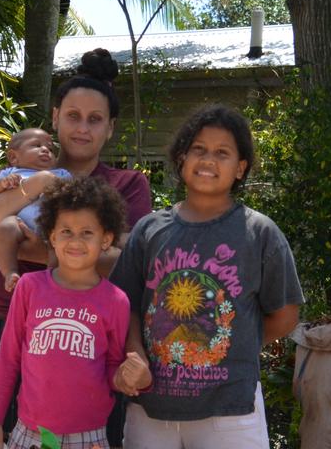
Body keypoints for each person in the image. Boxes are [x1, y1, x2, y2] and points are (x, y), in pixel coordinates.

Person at [0, 48, 152, 438]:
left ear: (111, 127)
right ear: (54, 117)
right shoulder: (22, 175)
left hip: (91, 331)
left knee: (81, 436)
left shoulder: (126, 185)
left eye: (95, 119)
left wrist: (32, 248)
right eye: (72, 116)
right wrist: (40, 184)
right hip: (8, 319)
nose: (82, 128)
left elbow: (124, 262)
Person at [110, 105, 304, 449]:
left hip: (230, 412)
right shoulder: (150, 229)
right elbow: (126, 306)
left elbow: (286, 314)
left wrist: (234, 344)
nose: (208, 160)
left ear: (240, 168)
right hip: (152, 407)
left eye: (222, 152)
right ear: (182, 158)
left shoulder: (259, 233)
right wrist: (136, 355)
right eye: (199, 149)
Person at [0, 177, 132, 449]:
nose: (75, 241)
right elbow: (7, 359)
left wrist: (128, 378)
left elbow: (112, 369)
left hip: (89, 437)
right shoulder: (29, 287)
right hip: (29, 435)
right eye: (66, 231)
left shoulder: (116, 301)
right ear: (51, 236)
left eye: (87, 232)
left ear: (106, 239)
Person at [0, 128, 72, 292]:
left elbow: (72, 197)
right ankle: (10, 273)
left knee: (60, 240)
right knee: (6, 227)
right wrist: (3, 184)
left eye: (50, 149)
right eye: (36, 145)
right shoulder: (10, 173)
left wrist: (57, 188)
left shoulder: (60, 173)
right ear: (13, 157)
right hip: (19, 225)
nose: (45, 150)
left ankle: (53, 283)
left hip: (50, 225)